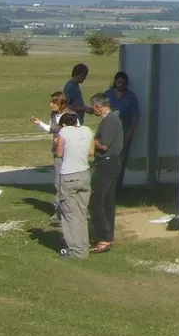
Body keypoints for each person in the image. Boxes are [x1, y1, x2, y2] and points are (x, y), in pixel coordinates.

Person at [53, 111, 92, 258]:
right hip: (84, 174)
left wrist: (58, 143)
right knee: (81, 213)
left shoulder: (64, 132)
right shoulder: (87, 130)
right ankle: (83, 246)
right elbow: (91, 151)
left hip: (69, 176)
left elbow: (59, 153)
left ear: (63, 124)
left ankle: (76, 251)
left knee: (69, 214)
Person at [88, 93, 123, 253]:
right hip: (111, 162)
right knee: (108, 202)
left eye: (93, 107)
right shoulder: (111, 120)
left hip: (107, 163)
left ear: (98, 106)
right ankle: (108, 235)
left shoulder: (109, 122)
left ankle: (104, 237)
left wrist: (89, 139)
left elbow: (103, 146)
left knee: (95, 202)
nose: (92, 109)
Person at [34, 91, 69, 225]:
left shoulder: (71, 115)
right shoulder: (54, 115)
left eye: (54, 102)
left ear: (62, 103)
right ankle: (59, 212)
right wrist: (39, 123)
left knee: (67, 182)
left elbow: (76, 132)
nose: (51, 105)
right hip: (57, 153)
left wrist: (62, 140)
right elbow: (51, 129)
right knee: (58, 182)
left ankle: (66, 211)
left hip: (69, 153)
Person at [106, 72, 140, 189]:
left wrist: (131, 131)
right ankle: (107, 184)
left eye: (123, 83)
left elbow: (135, 115)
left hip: (124, 132)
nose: (121, 84)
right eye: (119, 82)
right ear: (115, 82)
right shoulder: (108, 94)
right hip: (109, 132)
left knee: (121, 160)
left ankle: (117, 186)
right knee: (108, 159)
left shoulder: (131, 97)